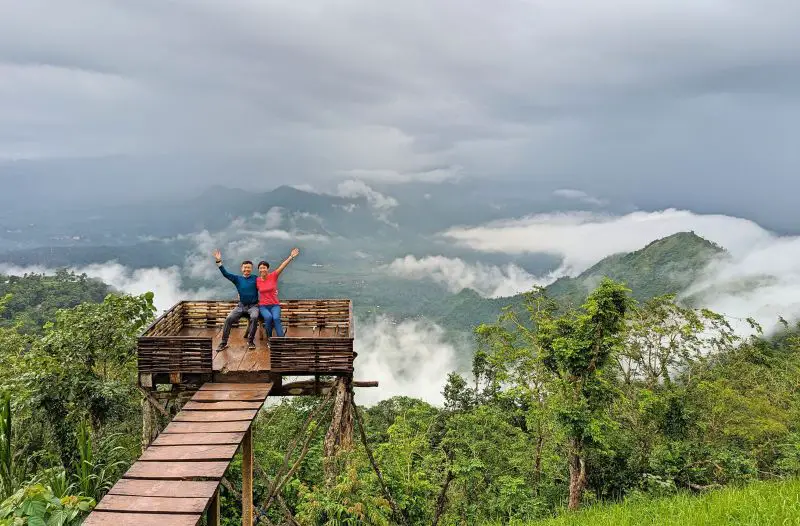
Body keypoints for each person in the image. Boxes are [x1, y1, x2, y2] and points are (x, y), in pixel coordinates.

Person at [213, 249, 259, 351]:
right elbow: (225, 274)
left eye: (249, 268)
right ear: (241, 268)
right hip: (241, 306)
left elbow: (265, 286)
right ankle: (223, 343)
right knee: (229, 318)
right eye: (245, 267)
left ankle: (250, 341)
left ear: (251, 269)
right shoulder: (237, 278)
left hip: (253, 306)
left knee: (255, 317)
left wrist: (274, 292)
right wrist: (218, 262)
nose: (247, 269)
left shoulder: (256, 278)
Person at [257, 247, 300, 340]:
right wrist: (240, 294)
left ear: (267, 269)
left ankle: (281, 340)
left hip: (274, 305)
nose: (262, 269)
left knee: (276, 318)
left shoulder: (273, 276)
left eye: (264, 267)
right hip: (263, 306)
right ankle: (270, 339)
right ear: (258, 270)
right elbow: (249, 288)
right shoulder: (257, 281)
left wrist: (290, 257)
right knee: (268, 318)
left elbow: (282, 266)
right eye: (260, 268)